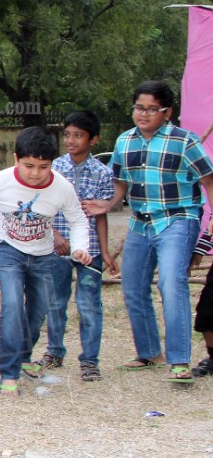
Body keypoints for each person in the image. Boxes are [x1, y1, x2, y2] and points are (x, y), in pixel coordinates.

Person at [0, 127, 92, 396]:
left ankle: (24, 356)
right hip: (7, 249)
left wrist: (81, 247)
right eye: (29, 166)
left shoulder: (61, 186)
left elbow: (78, 220)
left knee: (37, 313)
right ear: (16, 159)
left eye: (43, 167)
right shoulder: (0, 180)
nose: (35, 173)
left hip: (43, 254)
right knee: (12, 304)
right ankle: (9, 372)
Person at [84, 80, 213, 384]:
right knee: (132, 286)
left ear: (167, 112)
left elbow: (209, 181)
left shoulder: (185, 141)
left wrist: (210, 227)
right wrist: (108, 204)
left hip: (178, 218)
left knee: (171, 282)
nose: (143, 114)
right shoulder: (124, 141)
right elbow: (120, 185)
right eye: (139, 108)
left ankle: (179, 361)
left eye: (151, 109)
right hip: (140, 221)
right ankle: (149, 352)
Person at [30, 112, 116, 382]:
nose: (71, 140)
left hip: (87, 248)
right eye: (67, 134)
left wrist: (102, 251)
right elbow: (40, 207)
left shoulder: (102, 172)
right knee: (55, 302)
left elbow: (100, 215)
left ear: (94, 140)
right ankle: (55, 351)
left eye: (78, 135)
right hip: (57, 247)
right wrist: (54, 235)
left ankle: (89, 360)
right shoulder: (53, 169)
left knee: (89, 304)